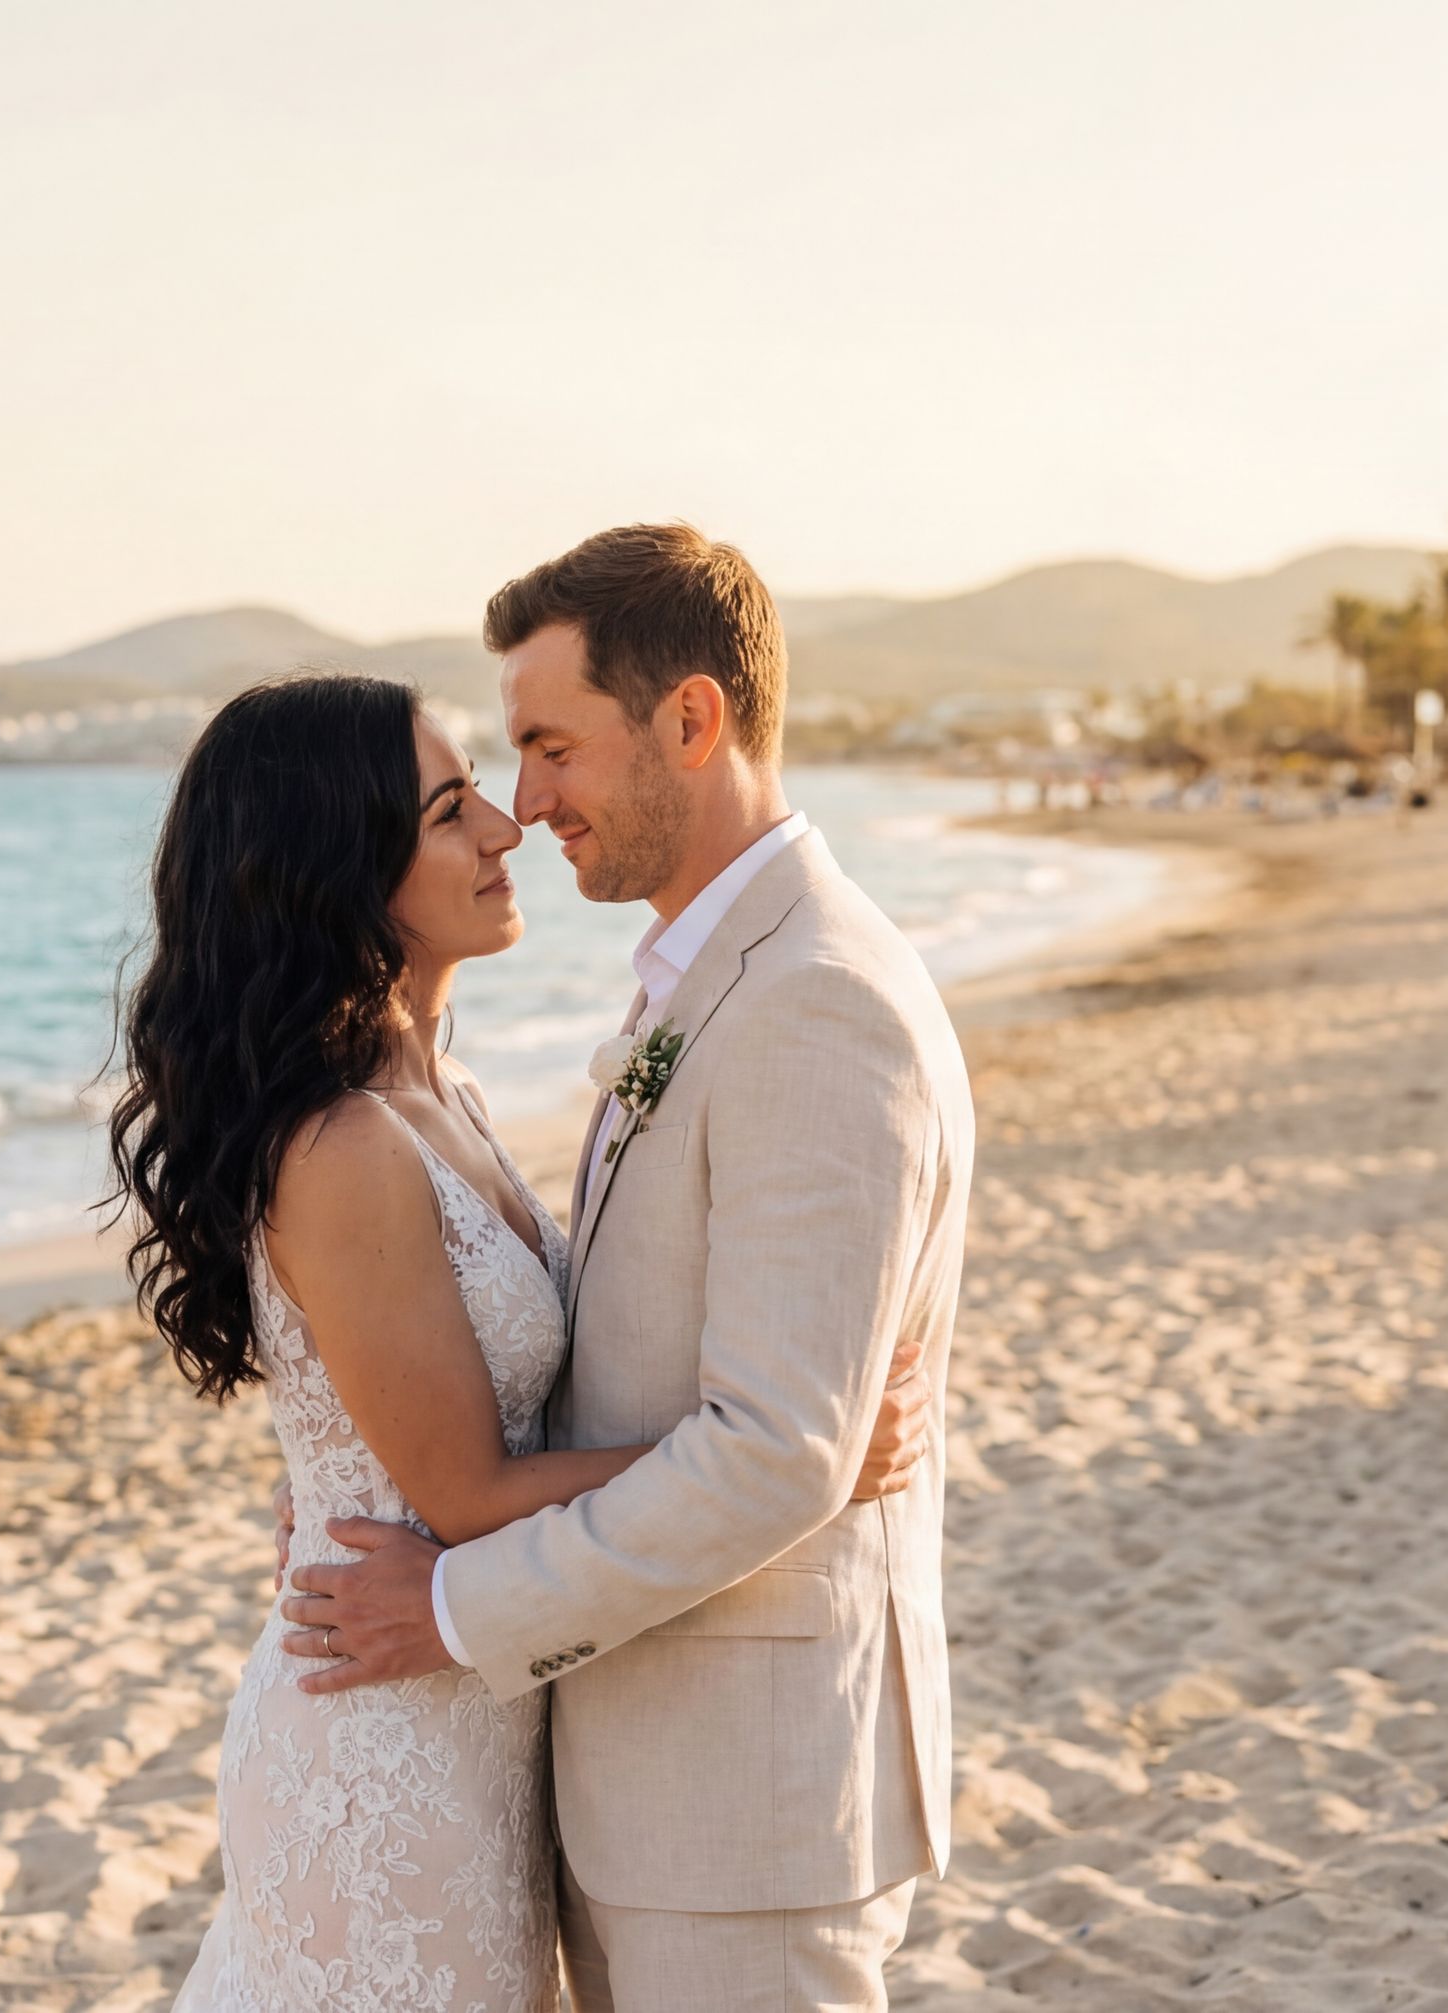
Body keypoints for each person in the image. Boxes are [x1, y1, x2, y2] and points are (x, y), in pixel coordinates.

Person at [109, 670, 930, 2008]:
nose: (506, 826)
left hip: (482, 1709)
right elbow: (468, 1491)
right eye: (450, 811)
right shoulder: (345, 1145)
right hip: (386, 1739)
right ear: (339, 871)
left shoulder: (449, 1092)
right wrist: (798, 1450)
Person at [274, 525, 973, 2011]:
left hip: (746, 1805)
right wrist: (368, 1476)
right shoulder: (709, 979)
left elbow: (777, 1450)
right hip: (629, 1782)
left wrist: (452, 1604)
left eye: (552, 747)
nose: (527, 805)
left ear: (692, 720)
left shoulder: (815, 999)